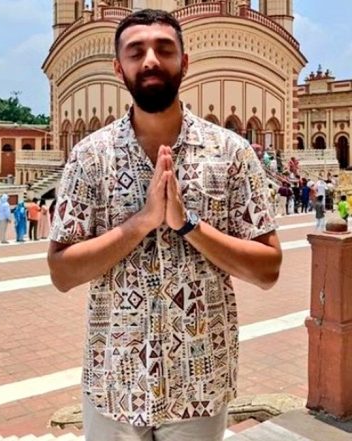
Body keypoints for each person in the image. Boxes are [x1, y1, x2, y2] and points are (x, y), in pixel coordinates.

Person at [47, 10, 282, 441]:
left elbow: (268, 269)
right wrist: (141, 223)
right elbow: (61, 272)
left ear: (185, 62)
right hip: (113, 383)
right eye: (136, 52)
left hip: (199, 387)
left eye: (164, 49)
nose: (151, 60)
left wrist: (188, 224)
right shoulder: (90, 157)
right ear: (119, 68)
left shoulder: (231, 152)